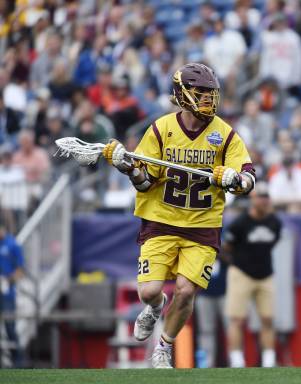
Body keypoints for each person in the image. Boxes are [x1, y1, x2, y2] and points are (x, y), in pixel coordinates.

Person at [102, 63, 256, 368]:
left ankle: (164, 346)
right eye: (200, 93)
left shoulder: (224, 135)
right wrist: (127, 167)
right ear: (182, 94)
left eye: (210, 94)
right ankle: (155, 307)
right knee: (149, 291)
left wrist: (234, 180)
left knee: (186, 292)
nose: (208, 100)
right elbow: (145, 181)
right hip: (161, 219)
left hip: (202, 225)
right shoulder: (161, 130)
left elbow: (249, 179)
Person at [223, 183, 281, 368]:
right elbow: (226, 247)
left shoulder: (275, 222)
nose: (264, 200)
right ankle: (237, 359)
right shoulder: (240, 223)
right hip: (242, 273)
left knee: (268, 318)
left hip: (265, 274)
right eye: (260, 196)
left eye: (266, 196)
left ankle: (269, 359)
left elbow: (272, 244)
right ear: (253, 199)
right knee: (237, 319)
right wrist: (237, 264)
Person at [0, 219, 25, 367]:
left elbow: (20, 270)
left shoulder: (12, 244)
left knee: (10, 326)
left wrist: (8, 280)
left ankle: (18, 362)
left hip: (7, 293)